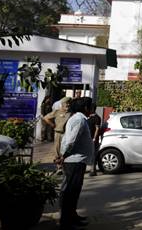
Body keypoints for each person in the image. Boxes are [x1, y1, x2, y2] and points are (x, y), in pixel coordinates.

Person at [56, 97, 95, 230]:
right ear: (85, 108)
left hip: (77, 160)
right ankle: (66, 222)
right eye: (90, 107)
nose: (92, 110)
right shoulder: (79, 120)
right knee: (70, 192)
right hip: (74, 161)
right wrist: (63, 155)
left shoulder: (78, 119)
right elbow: (71, 141)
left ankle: (72, 216)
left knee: (74, 192)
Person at [44, 96, 71, 171]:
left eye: (69, 103)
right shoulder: (57, 111)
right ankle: (59, 167)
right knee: (57, 150)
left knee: (65, 150)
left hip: (67, 134)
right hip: (58, 133)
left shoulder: (71, 113)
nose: (68, 105)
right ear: (62, 104)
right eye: (66, 103)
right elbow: (46, 118)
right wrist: (52, 125)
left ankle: (64, 166)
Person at [86, 105, 102, 177]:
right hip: (86, 138)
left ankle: (93, 170)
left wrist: (94, 138)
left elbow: (97, 129)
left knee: (93, 154)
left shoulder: (97, 118)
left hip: (92, 138)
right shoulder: (87, 117)